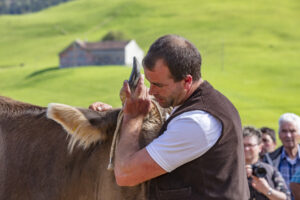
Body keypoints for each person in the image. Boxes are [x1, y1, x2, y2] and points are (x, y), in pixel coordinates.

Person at [90, 34, 249, 199]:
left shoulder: (196, 122)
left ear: (187, 81)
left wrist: (132, 117)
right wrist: (118, 116)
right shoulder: (196, 108)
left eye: (158, 85)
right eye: (149, 83)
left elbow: (125, 174)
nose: (151, 91)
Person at [243, 126, 290, 200]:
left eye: (250, 145)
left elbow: (286, 198)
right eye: (243, 145)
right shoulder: (231, 170)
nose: (246, 149)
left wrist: (267, 190)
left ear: (260, 147)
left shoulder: (270, 170)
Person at [263, 113, 300, 199]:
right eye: (284, 131)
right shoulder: (269, 159)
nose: (288, 135)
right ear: (279, 134)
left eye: (292, 131)